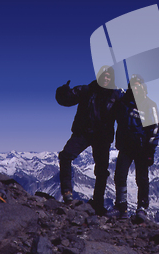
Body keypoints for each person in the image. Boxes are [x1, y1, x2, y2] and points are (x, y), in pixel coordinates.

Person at [55, 66, 121, 215]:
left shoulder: (116, 96)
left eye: (108, 76)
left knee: (102, 171)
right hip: (83, 133)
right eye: (103, 76)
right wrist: (62, 90)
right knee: (66, 156)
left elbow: (127, 112)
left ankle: (98, 202)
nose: (106, 78)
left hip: (102, 137)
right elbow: (65, 100)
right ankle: (67, 193)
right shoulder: (86, 90)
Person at [108, 74, 159, 220]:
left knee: (142, 178)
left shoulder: (150, 105)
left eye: (138, 85)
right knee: (120, 174)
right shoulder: (124, 102)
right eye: (133, 85)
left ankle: (142, 208)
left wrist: (150, 150)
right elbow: (114, 95)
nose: (135, 88)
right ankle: (121, 206)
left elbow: (156, 128)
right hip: (126, 146)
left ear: (142, 87)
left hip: (142, 148)